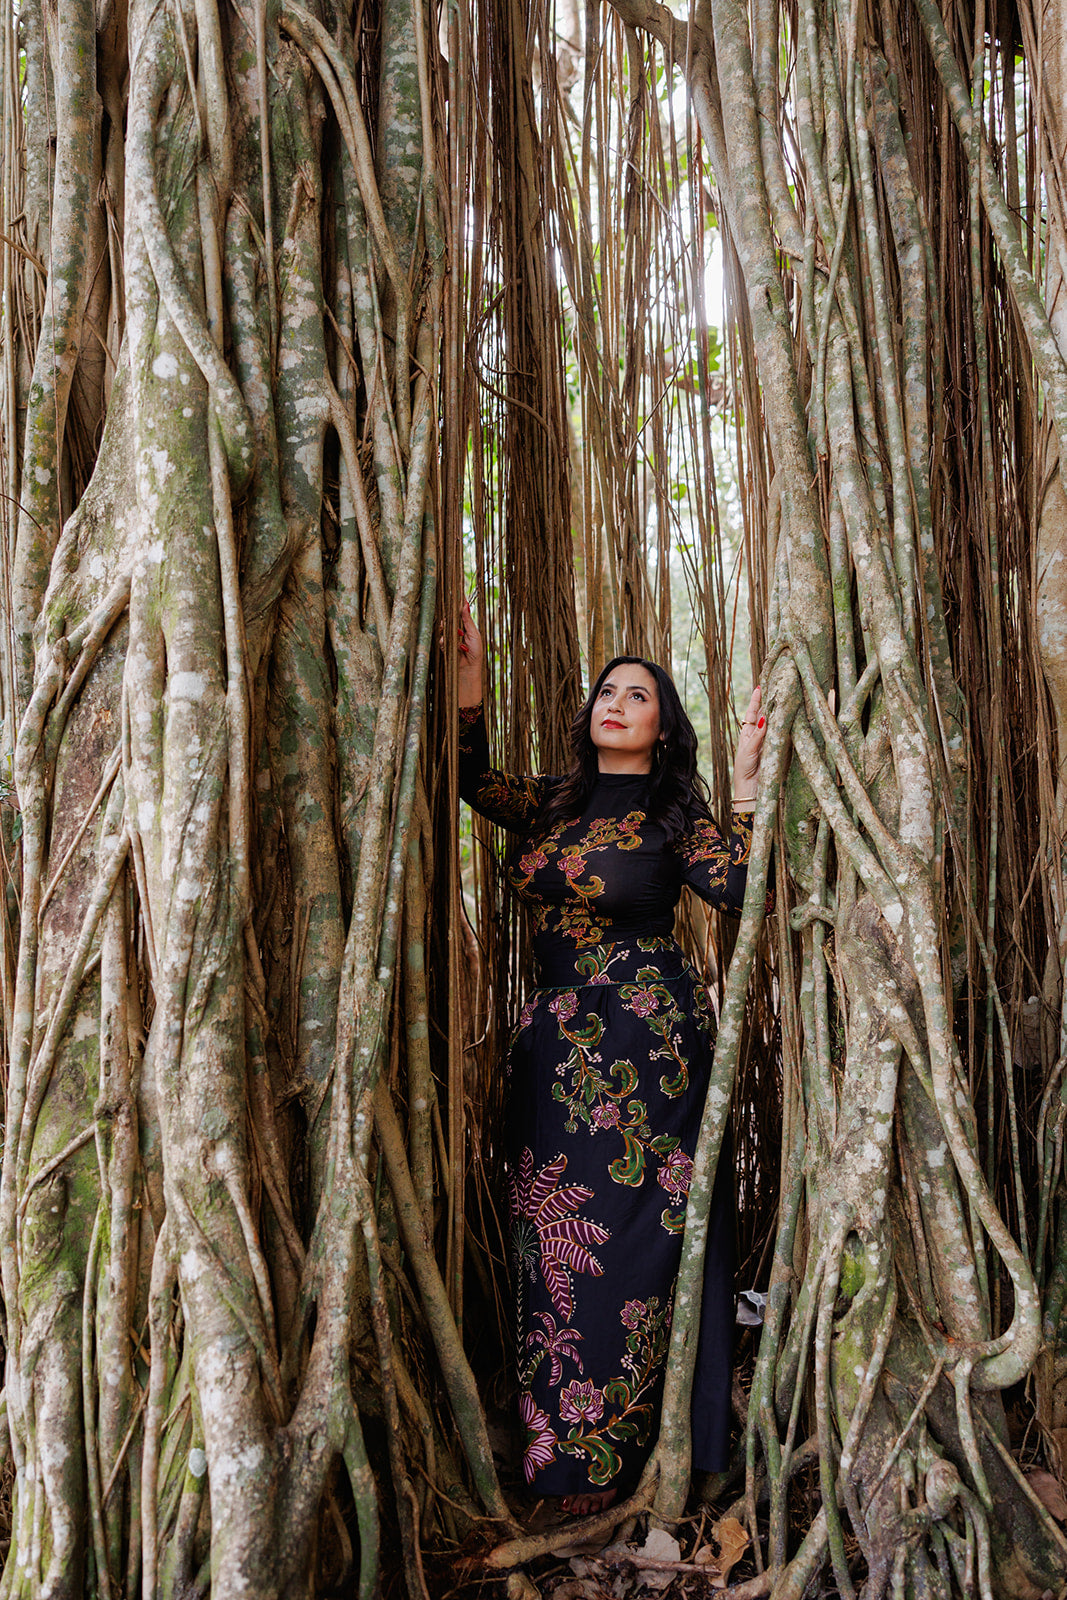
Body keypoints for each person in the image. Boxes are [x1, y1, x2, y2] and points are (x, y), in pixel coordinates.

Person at [454, 602, 766, 1516]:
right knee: (551, 1243)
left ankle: (634, 1455)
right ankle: (561, 1458)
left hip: (647, 1048)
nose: (615, 702)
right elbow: (468, 782)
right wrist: (470, 696)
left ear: (664, 725)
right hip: (552, 1047)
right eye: (605, 691)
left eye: (637, 694)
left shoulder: (675, 814)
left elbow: (739, 888)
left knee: (638, 1243)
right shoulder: (551, 800)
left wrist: (746, 787)